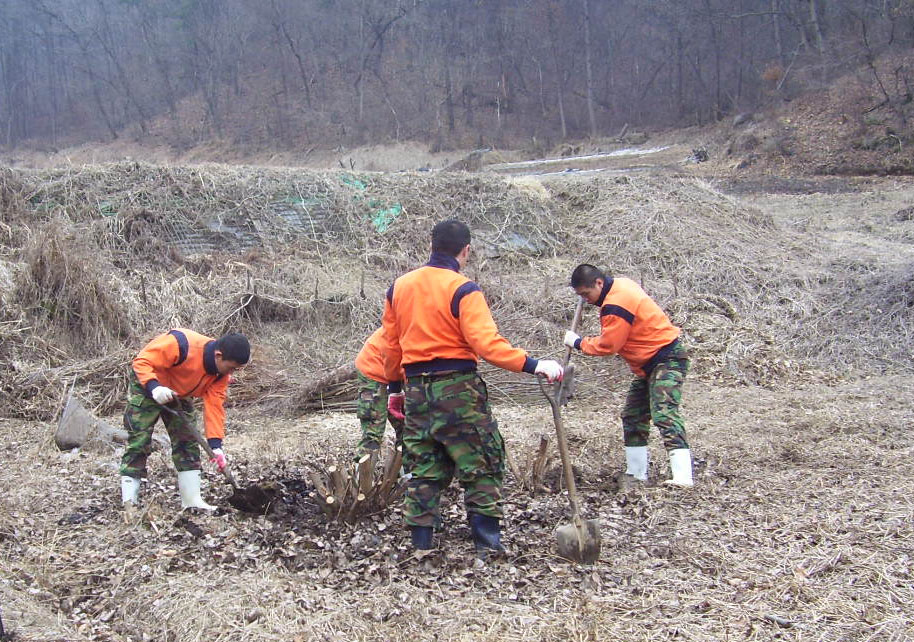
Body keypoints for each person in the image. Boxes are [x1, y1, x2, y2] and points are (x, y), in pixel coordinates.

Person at [380, 219, 564, 558]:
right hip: (459, 390)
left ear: (431, 246)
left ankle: (420, 547)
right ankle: (487, 545)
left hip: (417, 391)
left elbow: (391, 347)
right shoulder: (464, 289)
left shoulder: (399, 288)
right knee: (481, 461)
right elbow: (487, 345)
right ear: (466, 251)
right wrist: (536, 364)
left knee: (423, 468)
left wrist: (395, 389)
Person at [564, 264, 693, 487]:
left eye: (586, 294)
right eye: (580, 296)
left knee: (664, 412)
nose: (585, 300)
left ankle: (683, 477)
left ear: (599, 283)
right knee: (633, 415)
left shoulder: (616, 302)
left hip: (666, 358)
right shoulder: (620, 285)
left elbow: (608, 345)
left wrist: (578, 343)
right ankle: (636, 474)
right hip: (647, 365)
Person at [119, 329, 250, 511]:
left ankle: (192, 500)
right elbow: (142, 361)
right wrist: (154, 387)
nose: (232, 373)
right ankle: (129, 502)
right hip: (149, 384)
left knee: (187, 442)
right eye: (232, 368)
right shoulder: (180, 344)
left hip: (179, 394)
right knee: (139, 441)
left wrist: (216, 446)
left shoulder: (221, 375)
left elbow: (214, 408)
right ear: (219, 355)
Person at [353, 326, 404, 459]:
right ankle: (363, 476)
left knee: (408, 427)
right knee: (373, 431)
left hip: (396, 374)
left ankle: (406, 473)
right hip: (374, 369)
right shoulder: (410, 323)